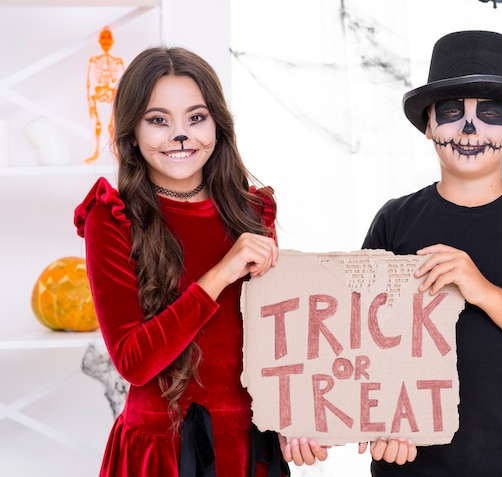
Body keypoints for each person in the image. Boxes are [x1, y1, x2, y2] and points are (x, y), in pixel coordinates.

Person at [74, 46, 326, 477]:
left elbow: (277, 340)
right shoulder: (113, 217)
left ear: (217, 124)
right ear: (132, 130)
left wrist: (295, 416)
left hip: (251, 447)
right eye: (158, 120)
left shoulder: (252, 212)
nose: (180, 135)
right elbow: (134, 362)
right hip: (162, 455)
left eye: (196, 117)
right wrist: (221, 274)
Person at [358, 30, 502, 476]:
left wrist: (482, 290)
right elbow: (359, 345)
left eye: (489, 113)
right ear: (429, 124)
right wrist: (379, 421)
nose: (469, 128)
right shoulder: (395, 220)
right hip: (411, 466)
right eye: (452, 112)